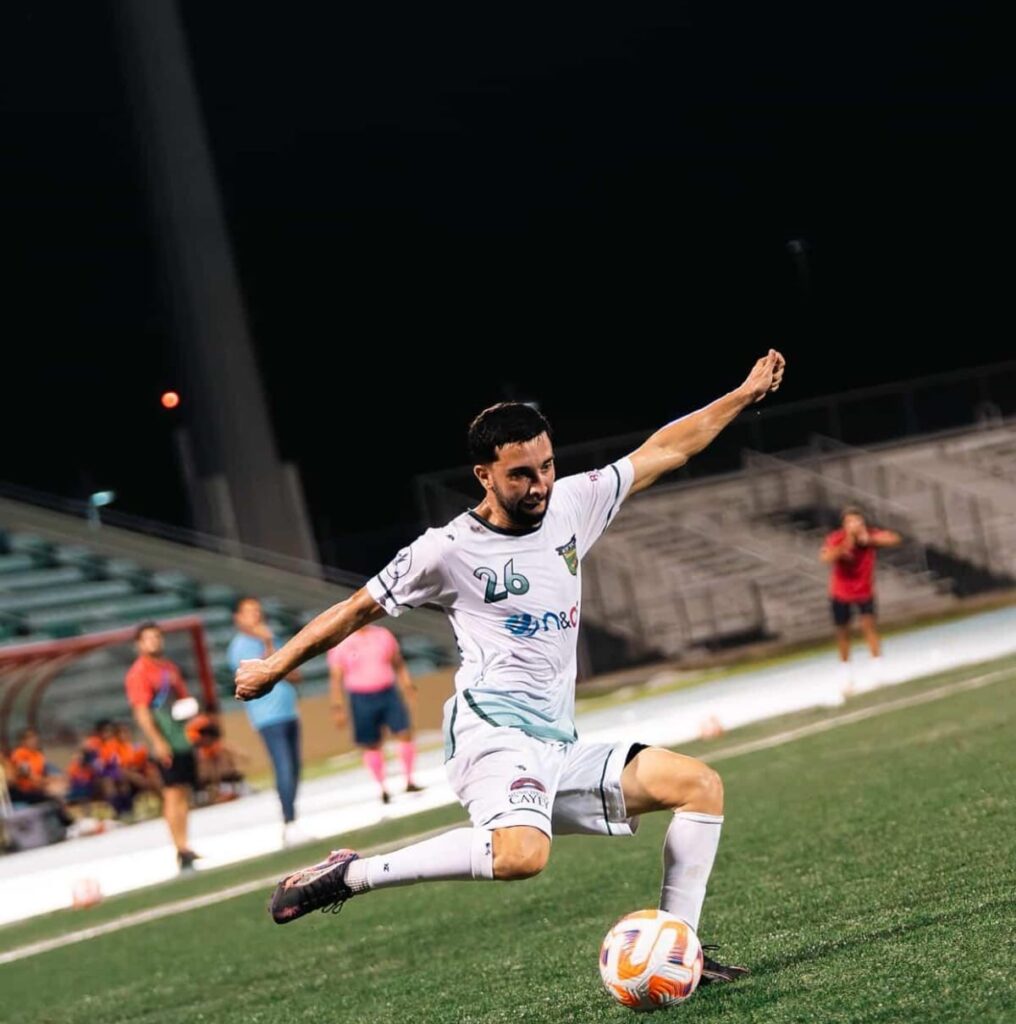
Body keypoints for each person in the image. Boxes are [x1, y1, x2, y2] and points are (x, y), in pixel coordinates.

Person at [235, 349, 786, 985]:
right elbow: (357, 609)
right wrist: (276, 664)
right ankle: (349, 874)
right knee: (523, 856)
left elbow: (667, 448)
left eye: (547, 466)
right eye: (521, 474)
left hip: (557, 742)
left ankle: (677, 948)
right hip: (491, 734)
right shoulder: (445, 550)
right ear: (484, 475)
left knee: (698, 786)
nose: (540, 485)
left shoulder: (574, 504)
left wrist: (742, 395)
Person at [227, 596, 305, 845]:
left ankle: (292, 817)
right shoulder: (241, 647)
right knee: (283, 766)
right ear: (238, 618)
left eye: (258, 611)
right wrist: (269, 642)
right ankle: (289, 821)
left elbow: (293, 674)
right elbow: (264, 675)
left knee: (294, 768)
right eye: (249, 612)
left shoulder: (271, 639)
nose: (256, 616)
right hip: (268, 716)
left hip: (288, 710)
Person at [124, 622, 200, 873]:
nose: (154, 642)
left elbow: (182, 698)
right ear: (139, 644)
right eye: (148, 638)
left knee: (183, 790)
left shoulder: (169, 668)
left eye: (157, 637)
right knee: (171, 792)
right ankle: (180, 847)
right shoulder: (139, 673)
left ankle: (186, 843)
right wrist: (157, 741)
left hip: (180, 738)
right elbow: (141, 711)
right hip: (164, 739)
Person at [327, 624, 422, 805]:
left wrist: (407, 684)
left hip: (387, 691)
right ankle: (382, 787)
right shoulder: (342, 642)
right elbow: (336, 676)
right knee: (371, 743)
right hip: (361, 696)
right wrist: (337, 706)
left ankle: (409, 779)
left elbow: (397, 662)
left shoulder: (382, 635)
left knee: (404, 732)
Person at [820, 506, 901, 693]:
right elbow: (825, 557)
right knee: (843, 633)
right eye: (850, 522)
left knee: (869, 627)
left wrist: (870, 540)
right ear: (844, 525)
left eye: (858, 521)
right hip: (841, 592)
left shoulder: (869, 535)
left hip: (864, 590)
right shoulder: (837, 538)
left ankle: (878, 669)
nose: (855, 525)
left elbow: (895, 538)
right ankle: (846, 673)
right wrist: (845, 545)